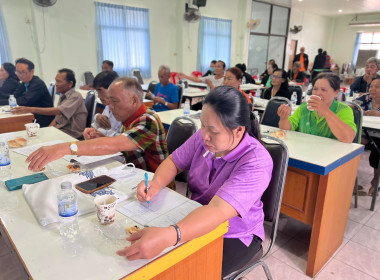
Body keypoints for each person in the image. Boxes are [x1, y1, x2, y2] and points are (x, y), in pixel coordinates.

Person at [116, 86, 273, 278]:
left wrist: (170, 235)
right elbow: (174, 162)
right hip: (196, 214)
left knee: (186, 272)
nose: (204, 135)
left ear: (239, 130)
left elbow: (217, 212)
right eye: (203, 125)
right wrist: (154, 184)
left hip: (235, 234)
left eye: (213, 131)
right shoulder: (205, 137)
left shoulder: (256, 162)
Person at [26, 77, 168, 173]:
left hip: (156, 186)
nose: (110, 107)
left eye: (114, 101)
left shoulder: (148, 120)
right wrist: (100, 136)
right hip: (134, 176)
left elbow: (116, 144)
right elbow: (124, 143)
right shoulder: (129, 119)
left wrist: (65, 148)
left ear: (134, 101)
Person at [277, 73, 356, 143]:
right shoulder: (305, 107)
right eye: (315, 89)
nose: (318, 93)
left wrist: (325, 111)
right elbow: (286, 129)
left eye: (323, 90)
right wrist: (283, 118)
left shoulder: (343, 110)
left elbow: (348, 138)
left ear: (336, 93)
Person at [12, 69, 87, 139]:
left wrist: (29, 109)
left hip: (71, 134)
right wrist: (48, 129)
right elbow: (57, 118)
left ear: (70, 84)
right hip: (60, 130)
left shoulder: (75, 96)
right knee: (33, 137)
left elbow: (58, 111)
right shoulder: (63, 96)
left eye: (59, 81)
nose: (56, 84)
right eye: (56, 81)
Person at [0, 58, 54, 127]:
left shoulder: (37, 84)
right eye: (17, 72)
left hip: (42, 118)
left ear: (32, 71)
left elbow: (24, 101)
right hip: (32, 115)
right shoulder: (25, 82)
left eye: (22, 72)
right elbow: (15, 96)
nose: (19, 75)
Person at [353, 77, 380, 195]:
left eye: (377, 87)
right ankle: (350, 180)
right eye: (371, 86)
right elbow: (351, 106)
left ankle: (375, 181)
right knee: (349, 140)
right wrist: (359, 111)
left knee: (378, 148)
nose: (373, 89)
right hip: (364, 135)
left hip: (378, 137)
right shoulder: (365, 98)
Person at [84, 71, 122, 138]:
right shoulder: (108, 106)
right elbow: (98, 124)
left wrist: (100, 132)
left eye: (100, 90)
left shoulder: (124, 110)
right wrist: (97, 117)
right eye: (97, 91)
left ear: (113, 88)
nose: (98, 96)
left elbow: (124, 138)